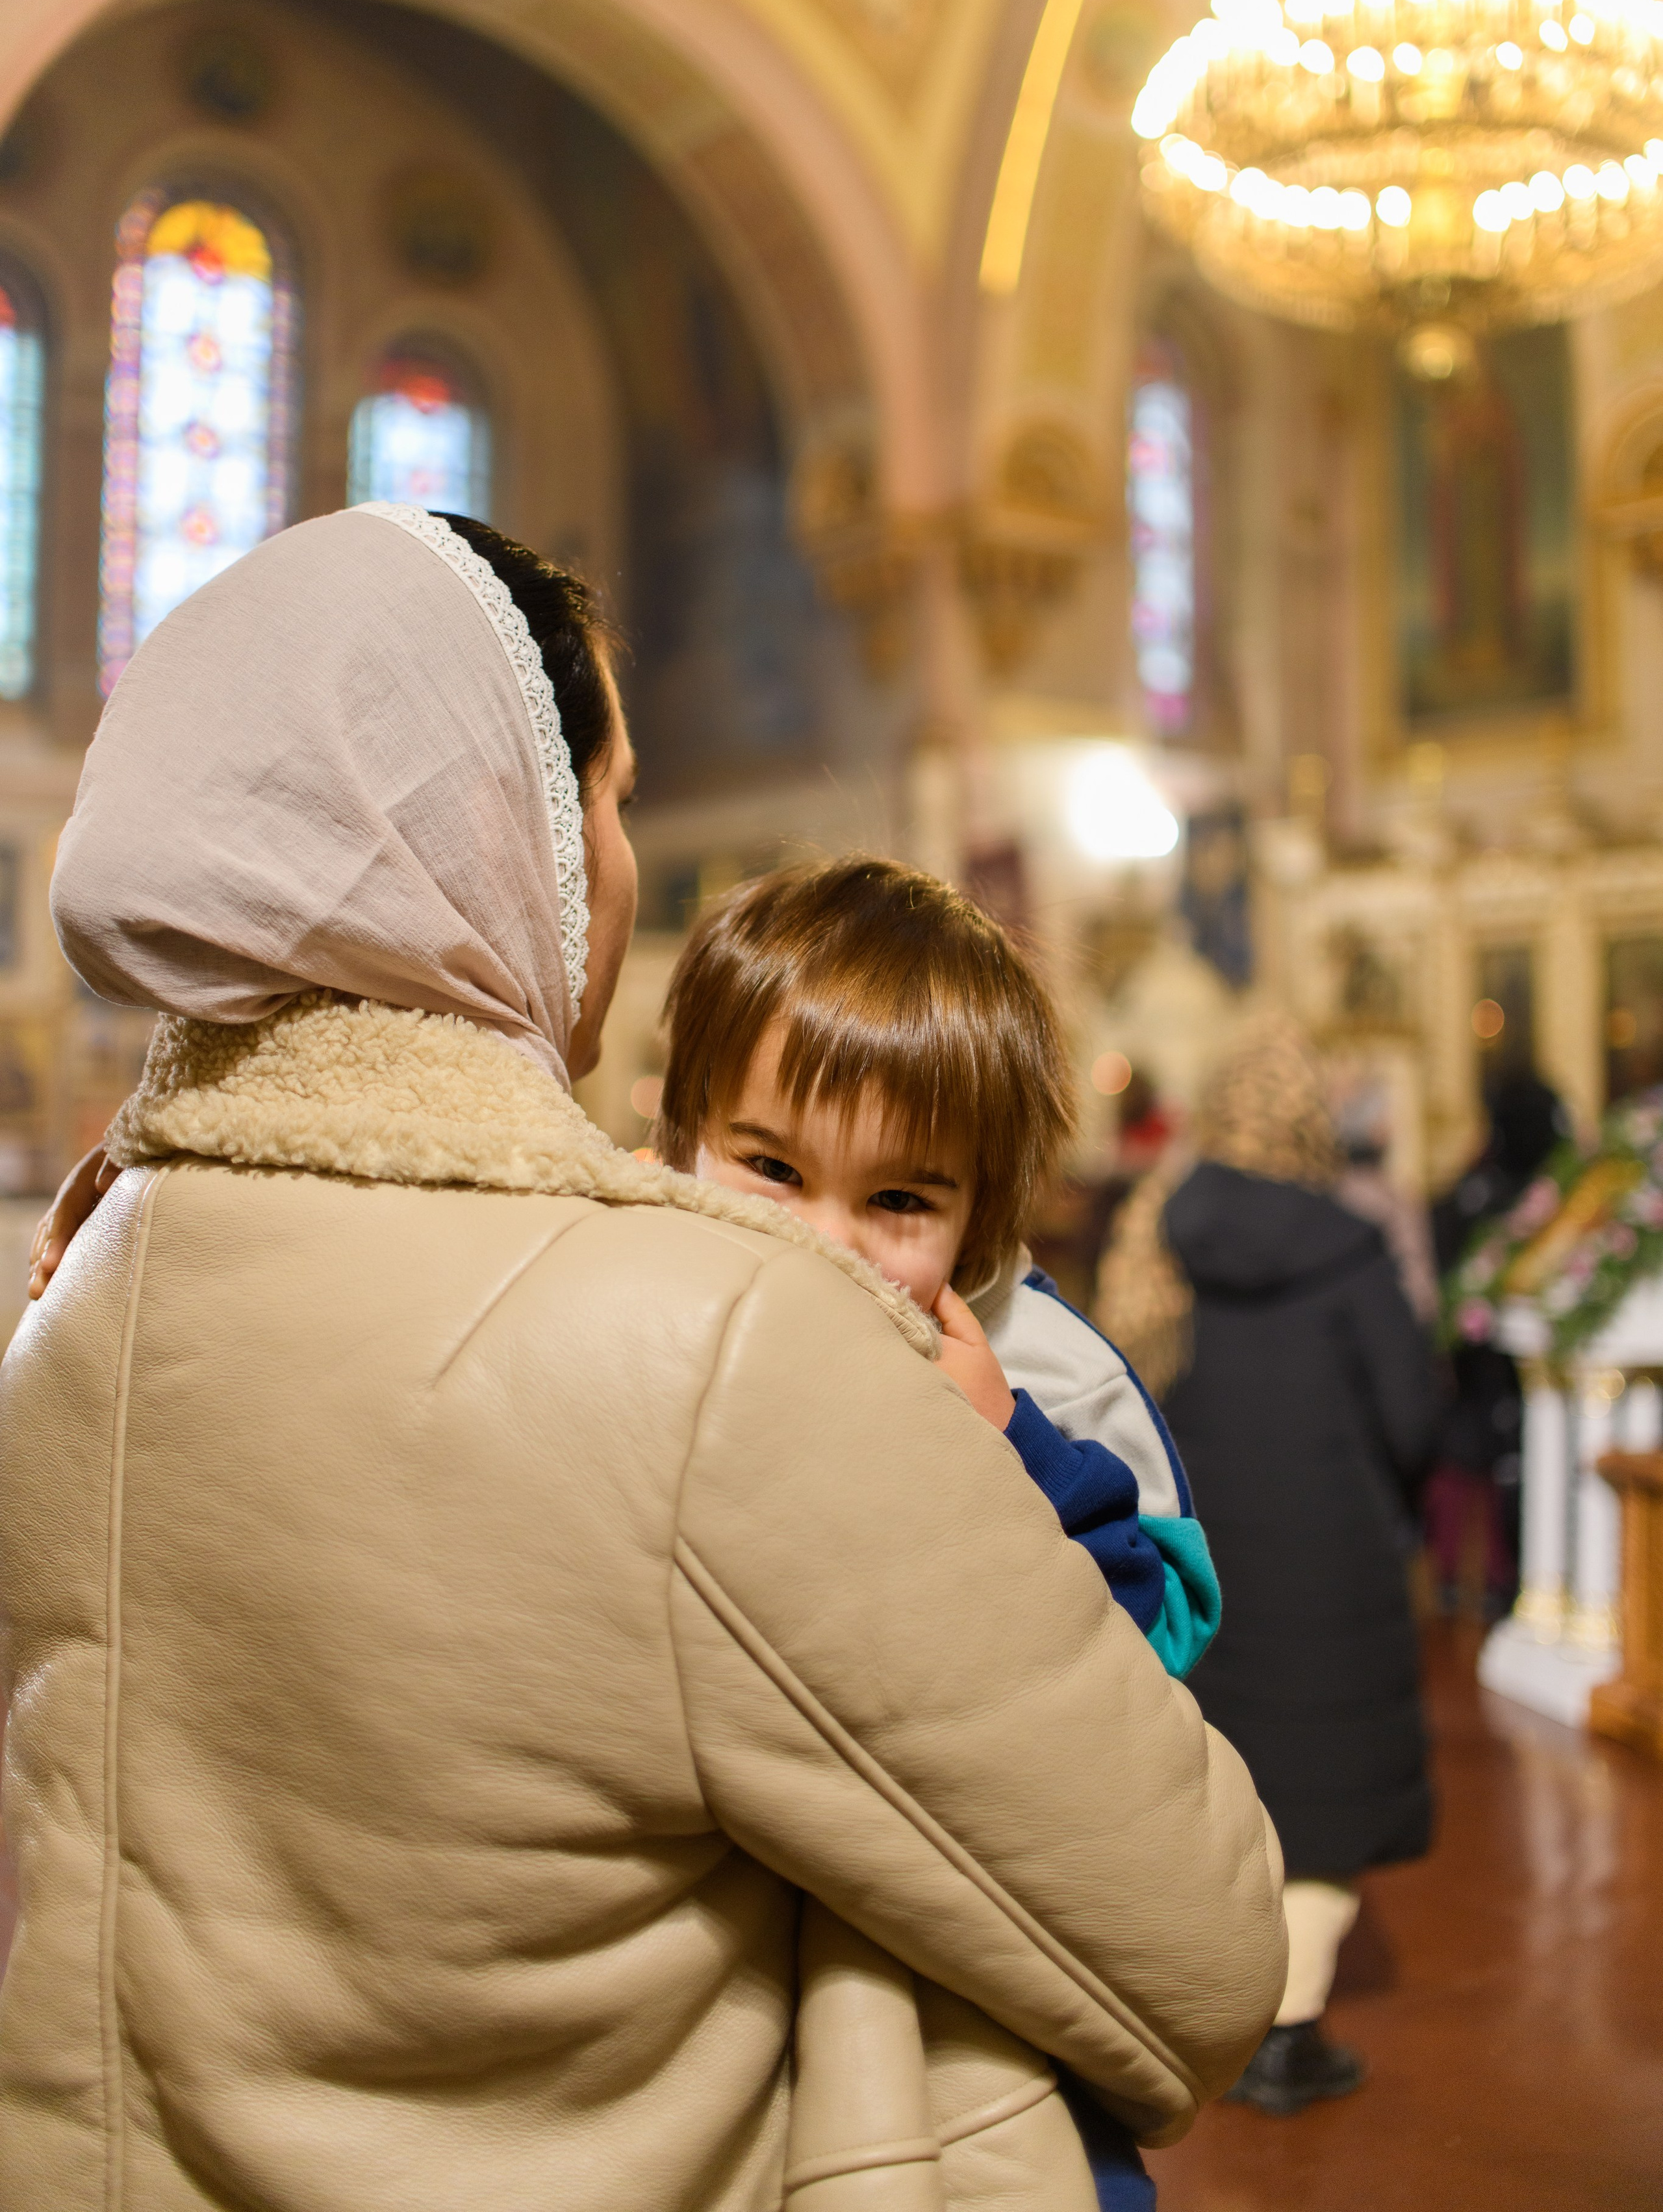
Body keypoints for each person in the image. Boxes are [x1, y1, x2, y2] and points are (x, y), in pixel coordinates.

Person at [1, 504, 1286, 2212]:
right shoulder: (713, 1340)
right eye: (603, 799)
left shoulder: (78, 1296)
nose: (615, 861)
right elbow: (1194, 1944)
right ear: (494, 823)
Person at [657, 859, 1221, 1692]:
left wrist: (1015, 1447)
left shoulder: (1056, 1380)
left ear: (977, 1219)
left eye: (895, 1196)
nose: (823, 1240)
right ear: (685, 1142)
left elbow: (1162, 1629)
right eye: (772, 1167)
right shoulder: (661, 1285)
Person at [1096, 1016, 1441, 2119]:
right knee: (1330, 1800)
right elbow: (1414, 1414)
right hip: (1333, 1564)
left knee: (1228, 1779)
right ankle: (1288, 2034)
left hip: (1209, 1563)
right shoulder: (1351, 1246)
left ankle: (1222, 2009)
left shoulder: (1162, 1226)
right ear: (1310, 1119)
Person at [1428, 1067, 1568, 1616]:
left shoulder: (1470, 1187)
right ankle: (1500, 1580)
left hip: (1470, 1354)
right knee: (1500, 1465)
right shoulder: (1533, 1192)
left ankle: (1466, 1576)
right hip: (1500, 1360)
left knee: (1471, 1461)